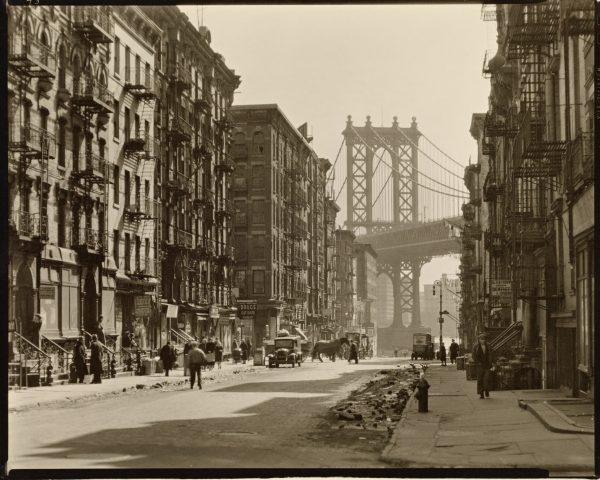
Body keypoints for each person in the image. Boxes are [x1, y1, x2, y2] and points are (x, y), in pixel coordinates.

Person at [473, 333, 494, 399]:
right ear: (479, 340)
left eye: (484, 339)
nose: (483, 340)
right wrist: (477, 362)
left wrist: (492, 362)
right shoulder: (476, 346)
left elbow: (492, 354)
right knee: (480, 380)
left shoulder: (488, 345)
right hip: (479, 365)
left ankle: (487, 390)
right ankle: (481, 393)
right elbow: (474, 355)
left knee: (487, 379)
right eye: (481, 339)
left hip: (487, 365)